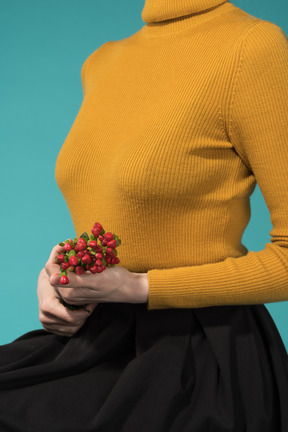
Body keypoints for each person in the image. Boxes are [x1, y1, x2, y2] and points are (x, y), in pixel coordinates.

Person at [0, 0, 288, 430]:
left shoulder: (252, 48)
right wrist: (59, 276)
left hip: (199, 355)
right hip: (98, 338)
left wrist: (139, 287)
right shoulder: (101, 61)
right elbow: (124, 215)